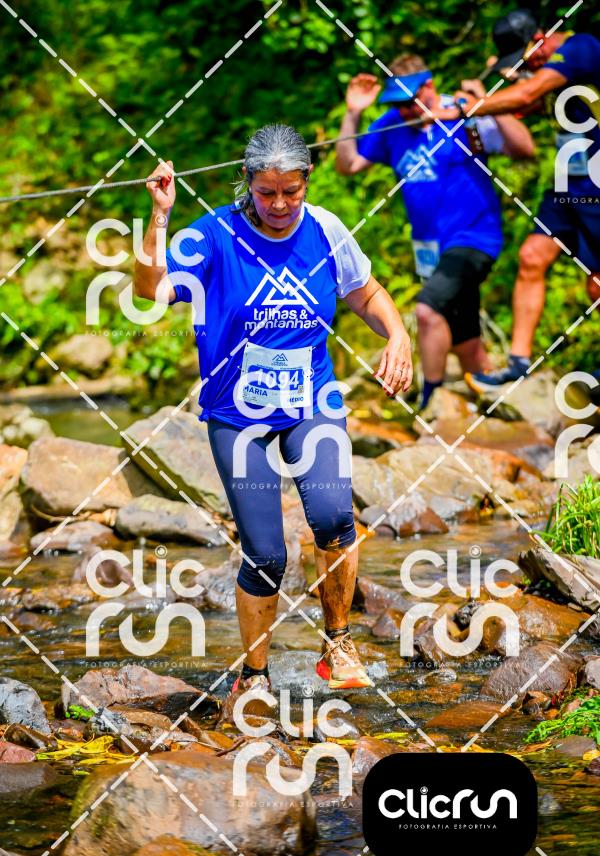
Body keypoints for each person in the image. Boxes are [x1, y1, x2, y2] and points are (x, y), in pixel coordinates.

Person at [133, 124, 413, 698]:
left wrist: (398, 335)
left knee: (334, 518)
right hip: (238, 415)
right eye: (266, 193)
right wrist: (160, 216)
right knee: (265, 553)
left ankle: (338, 643)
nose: (280, 204)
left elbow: (365, 292)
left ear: (307, 181)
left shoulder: (326, 230)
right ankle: (254, 677)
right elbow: (149, 290)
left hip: (312, 402)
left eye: (291, 191)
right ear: (247, 181)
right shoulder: (213, 236)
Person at [335, 54, 535, 408]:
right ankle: (492, 404)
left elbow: (524, 148)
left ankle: (431, 402)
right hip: (430, 248)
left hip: (474, 239)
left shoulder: (463, 113)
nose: (405, 111)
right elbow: (348, 164)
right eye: (397, 105)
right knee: (464, 336)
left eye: (410, 102)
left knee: (428, 310)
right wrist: (353, 112)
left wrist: (485, 102)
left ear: (428, 86)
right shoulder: (393, 125)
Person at [445, 11, 600, 388]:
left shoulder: (581, 47)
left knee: (596, 284)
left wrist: (464, 108)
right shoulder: (549, 69)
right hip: (568, 183)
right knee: (532, 256)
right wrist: (489, 92)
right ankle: (518, 364)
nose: (527, 66)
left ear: (540, 38)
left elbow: (529, 93)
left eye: (526, 57)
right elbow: (522, 105)